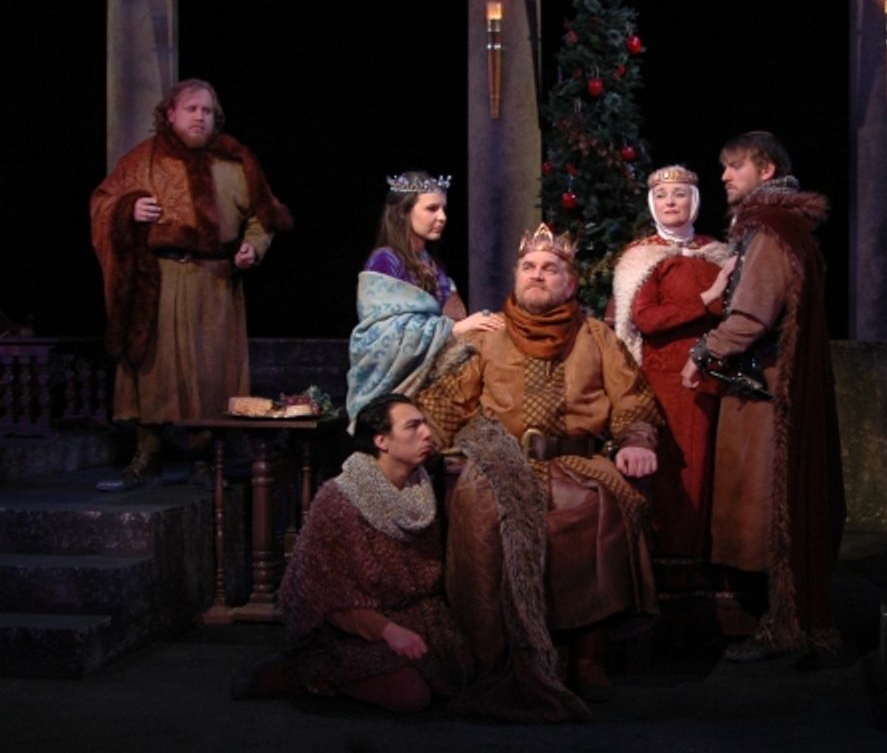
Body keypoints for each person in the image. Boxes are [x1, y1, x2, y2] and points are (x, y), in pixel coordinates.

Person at [417, 223, 662, 719]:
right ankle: (492, 655)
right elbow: (445, 402)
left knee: (598, 507)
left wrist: (637, 440)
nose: (538, 274)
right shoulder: (488, 338)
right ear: (515, 278)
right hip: (498, 461)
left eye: (550, 268)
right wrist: (408, 451)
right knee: (479, 509)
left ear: (570, 283)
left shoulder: (597, 337)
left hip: (578, 462)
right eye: (528, 267)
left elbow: (633, 402)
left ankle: (590, 655)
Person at [683, 131, 845, 663]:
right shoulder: (772, 229)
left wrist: (702, 353)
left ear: (766, 171)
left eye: (734, 167)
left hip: (767, 390)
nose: (725, 176)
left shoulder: (770, 230)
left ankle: (783, 626)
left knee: (766, 510)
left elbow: (753, 314)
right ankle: (773, 622)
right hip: (764, 385)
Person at [91, 78, 292, 491]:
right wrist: (127, 209)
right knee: (154, 366)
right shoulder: (141, 160)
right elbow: (102, 202)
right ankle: (146, 451)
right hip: (158, 280)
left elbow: (263, 218)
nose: (200, 117)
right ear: (170, 114)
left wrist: (253, 248)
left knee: (209, 368)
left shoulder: (235, 162)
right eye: (191, 110)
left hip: (214, 282)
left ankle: (206, 455)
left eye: (207, 111)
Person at [236, 394, 472, 712]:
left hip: (412, 615)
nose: (427, 433)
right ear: (381, 440)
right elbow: (323, 592)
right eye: (413, 426)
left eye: (425, 424)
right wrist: (386, 630)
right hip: (344, 629)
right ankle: (306, 672)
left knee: (460, 677)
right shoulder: (339, 500)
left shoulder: (420, 494)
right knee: (410, 696)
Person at [611, 165, 733, 559]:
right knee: (675, 473)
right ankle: (671, 564)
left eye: (679, 194)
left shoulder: (715, 251)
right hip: (666, 379)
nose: (670, 202)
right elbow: (645, 318)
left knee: (714, 469)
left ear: (694, 201)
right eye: (663, 196)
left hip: (716, 376)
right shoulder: (642, 257)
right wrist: (706, 297)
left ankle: (709, 556)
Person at [345, 172, 502, 425]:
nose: (442, 217)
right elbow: (379, 337)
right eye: (432, 209)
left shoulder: (431, 264)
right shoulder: (385, 261)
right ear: (403, 213)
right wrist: (454, 329)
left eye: (443, 209)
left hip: (435, 375)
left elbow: (453, 314)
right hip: (400, 384)